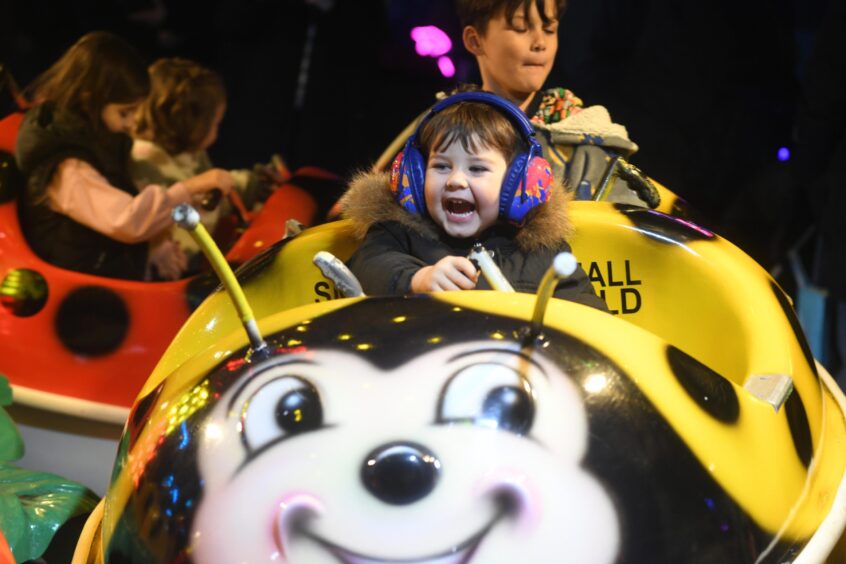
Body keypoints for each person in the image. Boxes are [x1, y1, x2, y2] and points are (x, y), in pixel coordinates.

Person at [342, 91, 606, 310]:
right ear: (415, 175)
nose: (455, 180)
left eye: (477, 169)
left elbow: (592, 318)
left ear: (517, 184)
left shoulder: (544, 251)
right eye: (441, 166)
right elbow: (366, 267)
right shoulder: (398, 233)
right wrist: (418, 279)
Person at [373, 0, 650, 207]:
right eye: (520, 27)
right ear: (474, 40)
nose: (540, 42)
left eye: (549, 29)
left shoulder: (586, 137)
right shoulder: (438, 126)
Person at [14, 32, 231, 281]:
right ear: (89, 99)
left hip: (100, 272)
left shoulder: (94, 138)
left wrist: (152, 254)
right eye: (125, 113)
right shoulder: (68, 167)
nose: (130, 123)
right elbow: (125, 221)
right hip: (82, 294)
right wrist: (191, 188)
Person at [130, 57, 279, 273]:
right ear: (191, 124)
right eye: (216, 123)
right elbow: (202, 206)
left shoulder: (189, 152)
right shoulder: (146, 161)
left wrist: (252, 183)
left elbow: (211, 182)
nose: (217, 131)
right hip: (175, 272)